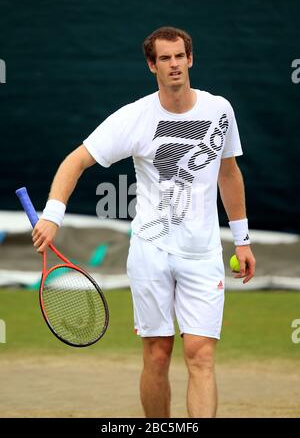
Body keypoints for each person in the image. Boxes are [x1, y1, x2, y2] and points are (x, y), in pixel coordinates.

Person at [32, 26, 256, 418]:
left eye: (180, 56)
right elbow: (76, 160)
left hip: (202, 253)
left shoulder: (220, 110)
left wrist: (242, 239)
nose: (174, 65)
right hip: (150, 252)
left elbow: (229, 173)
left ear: (191, 59)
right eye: (165, 58)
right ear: (152, 65)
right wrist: (52, 216)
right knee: (157, 353)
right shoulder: (134, 117)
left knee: (200, 355)